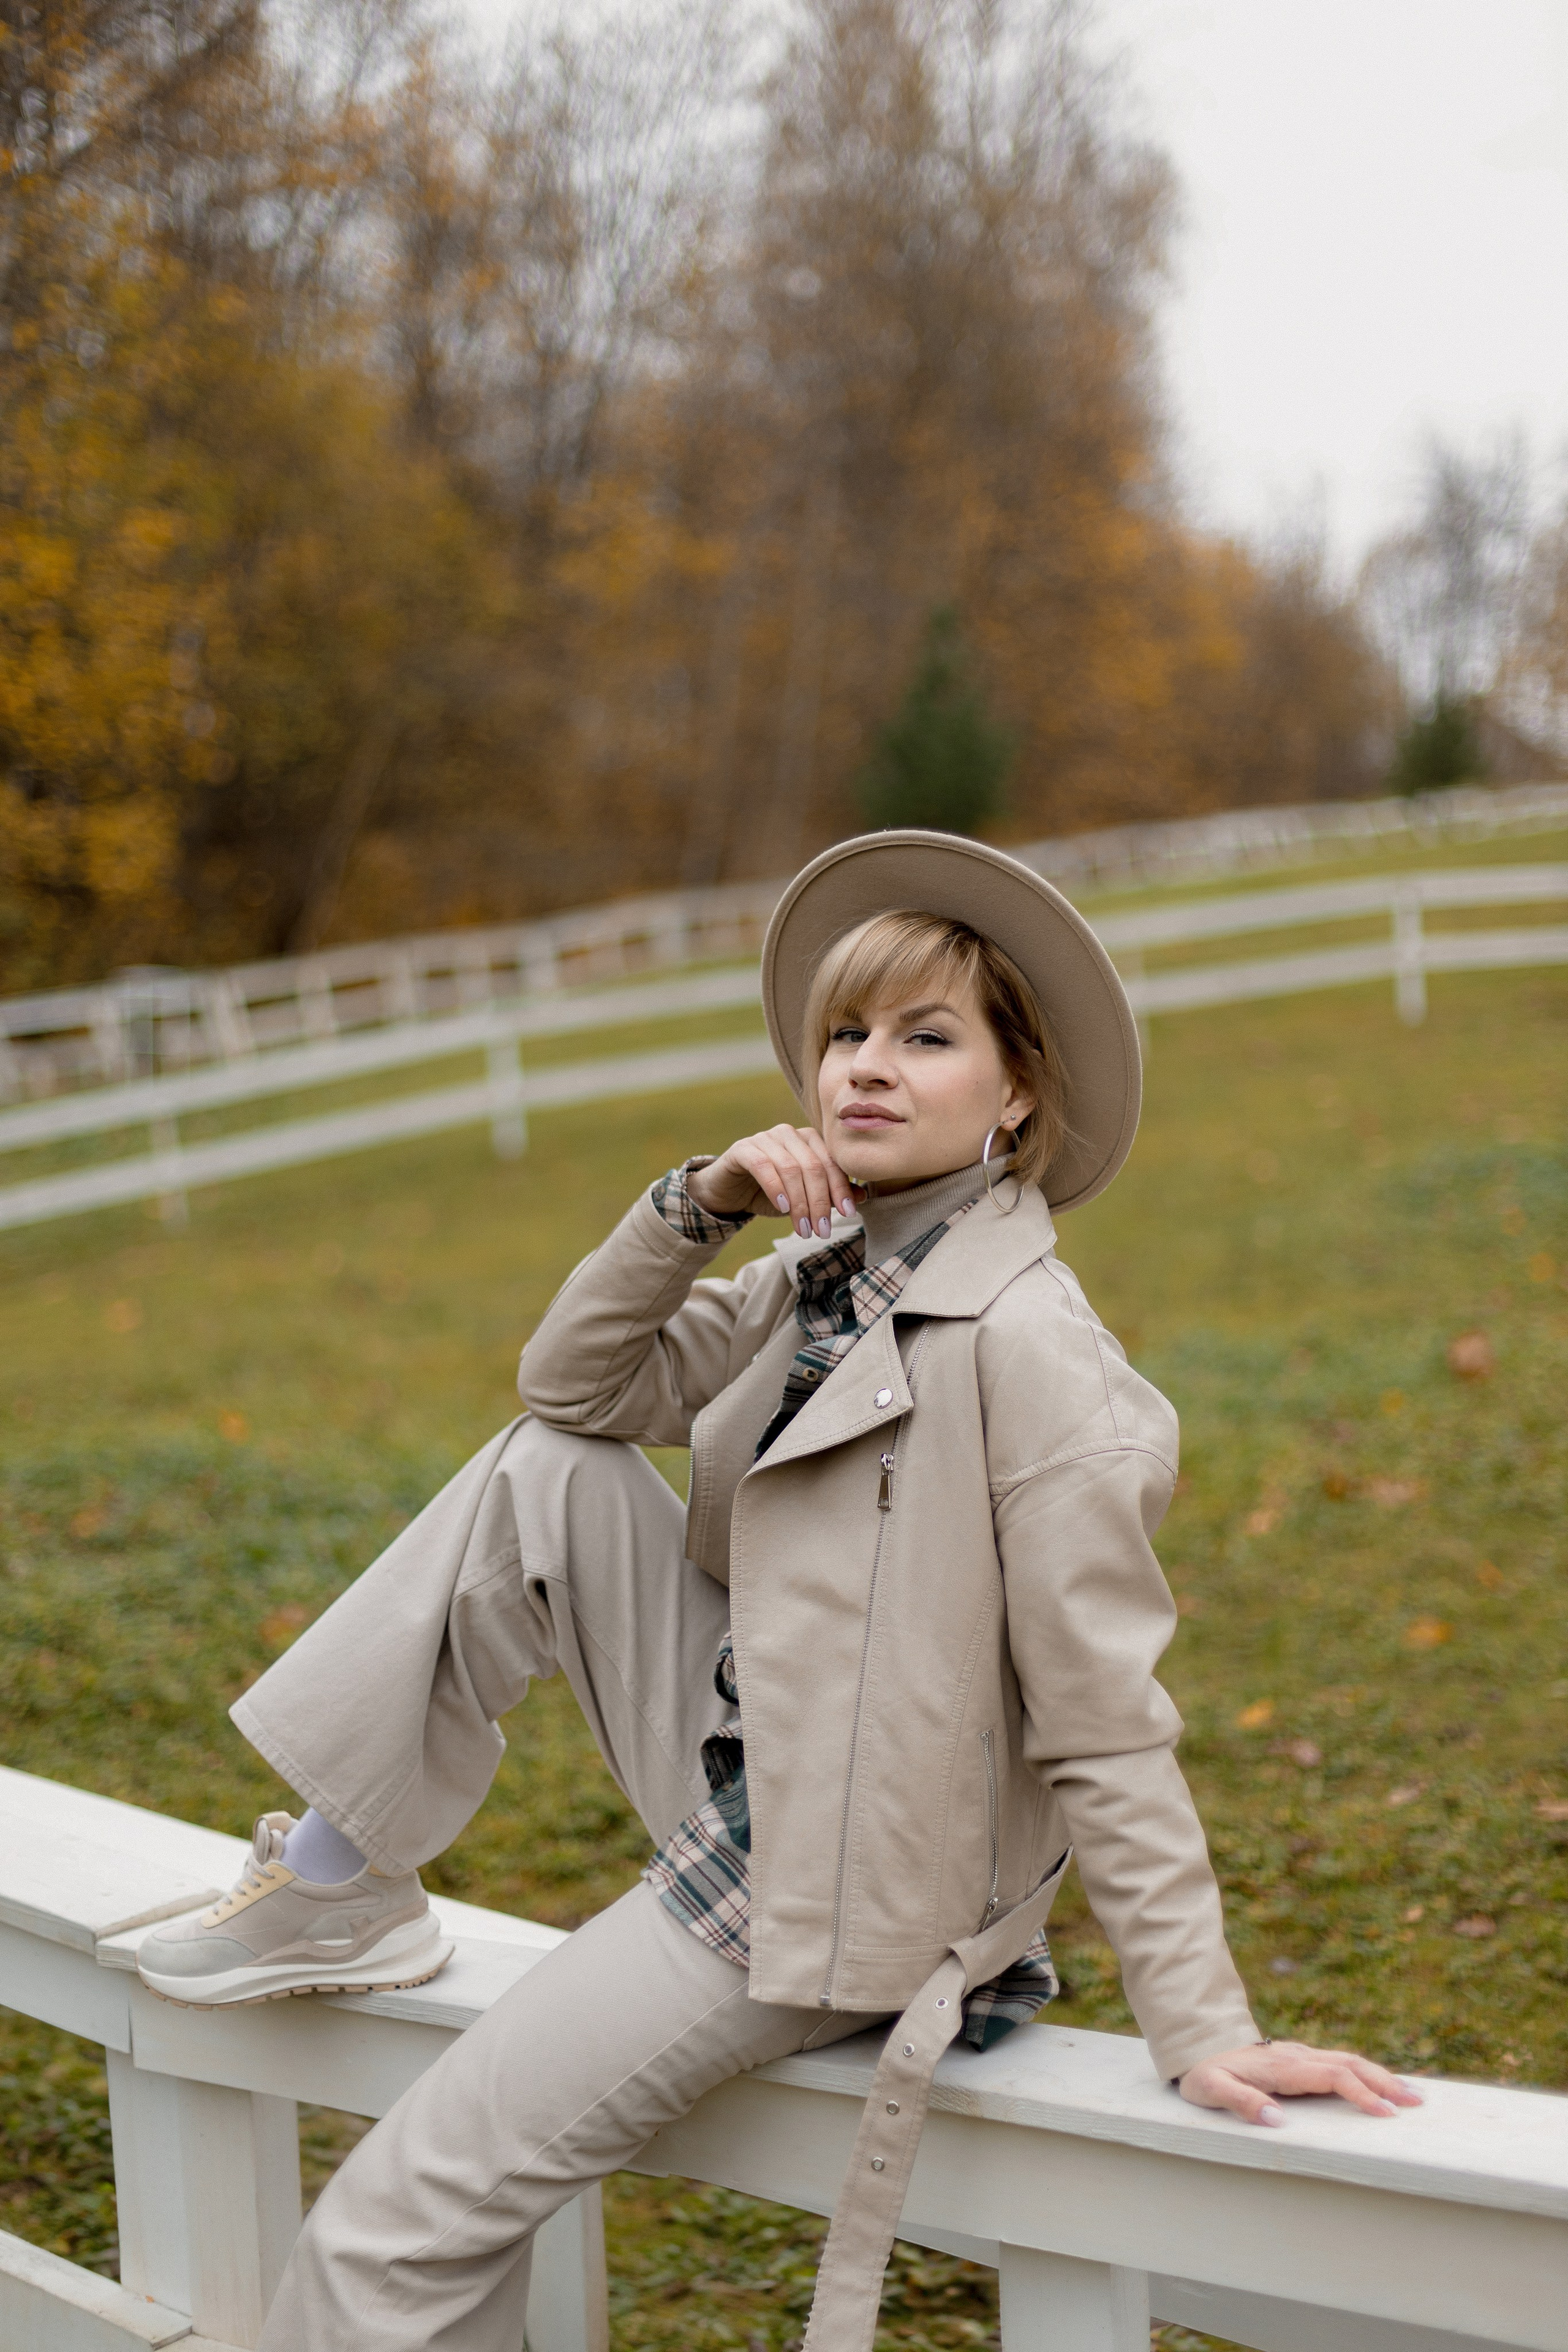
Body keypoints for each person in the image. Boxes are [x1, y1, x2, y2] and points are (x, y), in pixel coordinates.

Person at [135, 830, 1419, 2351]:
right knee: (546, 1469)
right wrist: (698, 1199)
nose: (863, 1068)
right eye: (844, 1035)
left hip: (836, 1890)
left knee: (390, 2227)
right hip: (762, 1759)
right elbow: (570, 1388)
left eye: (923, 1038)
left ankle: (349, 1912)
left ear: (1016, 1095)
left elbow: (1103, 1719)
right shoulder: (816, 1280)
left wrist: (1204, 2028)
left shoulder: (1033, 1353)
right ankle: (342, 1886)